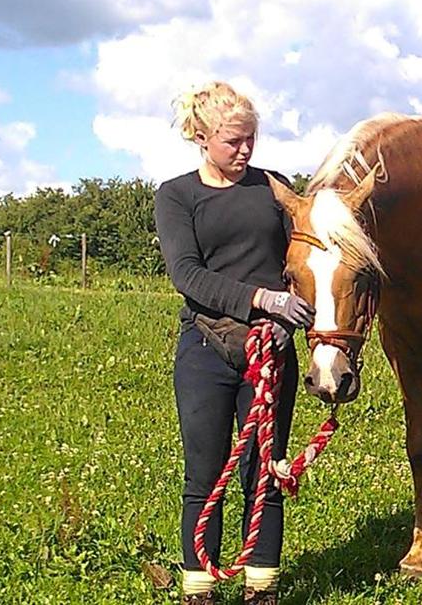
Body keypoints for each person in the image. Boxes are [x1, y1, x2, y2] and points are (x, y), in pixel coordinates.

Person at [154, 81, 314, 605]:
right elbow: (187, 274)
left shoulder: (273, 188)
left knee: (264, 472)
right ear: (201, 137)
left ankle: (261, 588)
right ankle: (199, 589)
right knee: (204, 472)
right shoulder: (177, 196)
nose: (244, 152)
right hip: (206, 349)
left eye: (250, 140)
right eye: (232, 142)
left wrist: (297, 309)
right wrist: (261, 300)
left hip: (271, 353)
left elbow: (302, 257)